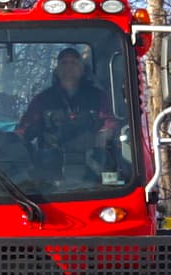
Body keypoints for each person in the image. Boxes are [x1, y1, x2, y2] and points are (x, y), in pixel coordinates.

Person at [15, 48, 118, 181]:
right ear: (57, 70)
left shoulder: (98, 97)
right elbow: (26, 127)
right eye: (64, 63)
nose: (68, 67)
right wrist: (18, 138)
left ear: (82, 69)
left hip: (92, 166)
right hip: (50, 171)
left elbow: (110, 120)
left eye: (73, 63)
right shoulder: (43, 99)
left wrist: (106, 132)